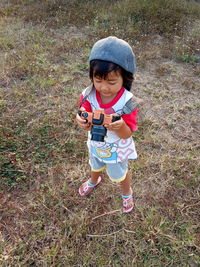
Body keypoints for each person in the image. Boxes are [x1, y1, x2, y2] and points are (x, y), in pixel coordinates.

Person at [76, 36, 139, 213]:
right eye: (98, 80)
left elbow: (128, 134)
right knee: (94, 164)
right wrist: (80, 119)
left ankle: (127, 192)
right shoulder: (89, 94)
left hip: (116, 149)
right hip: (96, 144)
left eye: (111, 82)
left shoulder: (128, 103)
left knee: (120, 174)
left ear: (125, 78)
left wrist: (120, 127)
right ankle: (93, 180)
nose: (104, 87)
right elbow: (83, 110)